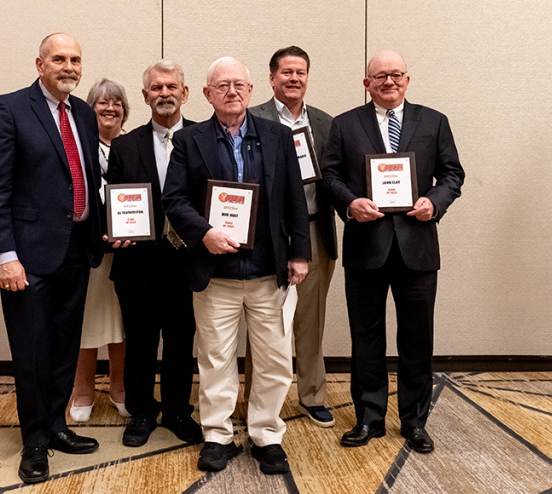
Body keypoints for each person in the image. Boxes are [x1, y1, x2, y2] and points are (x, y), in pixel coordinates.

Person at [162, 57, 310, 475]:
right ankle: (217, 435)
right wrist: (205, 232)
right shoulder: (189, 141)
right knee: (215, 359)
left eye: (239, 84)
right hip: (216, 275)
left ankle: (266, 434)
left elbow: (295, 198)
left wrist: (299, 252)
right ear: (207, 94)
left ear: (251, 90)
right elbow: (174, 200)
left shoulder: (279, 136)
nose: (231, 91)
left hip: (269, 273)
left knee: (275, 359)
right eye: (221, 85)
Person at [321, 50, 464, 454]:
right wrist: (350, 203)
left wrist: (434, 202)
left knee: (417, 339)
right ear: (367, 83)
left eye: (396, 74)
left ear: (407, 79)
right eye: (380, 76)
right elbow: (329, 175)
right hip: (367, 247)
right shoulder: (346, 124)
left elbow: (453, 173)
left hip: (417, 248)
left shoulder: (434, 121)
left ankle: (415, 421)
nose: (389, 81)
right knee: (366, 338)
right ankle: (369, 418)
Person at [0, 33, 105, 484]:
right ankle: (33, 441)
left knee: (64, 347)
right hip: (27, 256)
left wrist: (103, 230)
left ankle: (56, 426)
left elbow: (88, 177)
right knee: (32, 350)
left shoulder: (85, 114)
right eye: (58, 59)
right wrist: (5, 256)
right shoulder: (9, 108)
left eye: (75, 59)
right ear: (39, 64)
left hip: (76, 249)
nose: (68, 66)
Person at [106, 60, 202, 447]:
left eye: (171, 86)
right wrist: (115, 229)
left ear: (185, 92)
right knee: (140, 342)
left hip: (190, 261)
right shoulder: (125, 146)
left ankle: (179, 410)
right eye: (156, 88)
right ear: (145, 96)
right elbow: (116, 196)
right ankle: (142, 412)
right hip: (138, 263)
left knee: (182, 340)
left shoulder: (202, 137)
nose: (164, 93)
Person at [247, 45, 338, 427]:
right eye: (286, 72)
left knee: (310, 317)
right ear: (272, 78)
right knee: (261, 317)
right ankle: (257, 397)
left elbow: (335, 177)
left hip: (315, 229)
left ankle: (312, 393)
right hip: (267, 233)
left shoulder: (325, 123)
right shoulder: (252, 119)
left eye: (300, 72)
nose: (294, 79)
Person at [69, 78, 130, 422]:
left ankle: (120, 387)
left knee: (123, 324)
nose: (109, 108)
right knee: (87, 323)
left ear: (125, 110)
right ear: (88, 110)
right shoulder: (78, 148)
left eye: (116, 103)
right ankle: (83, 389)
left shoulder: (135, 145)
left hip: (128, 253)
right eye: (101, 103)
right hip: (87, 253)